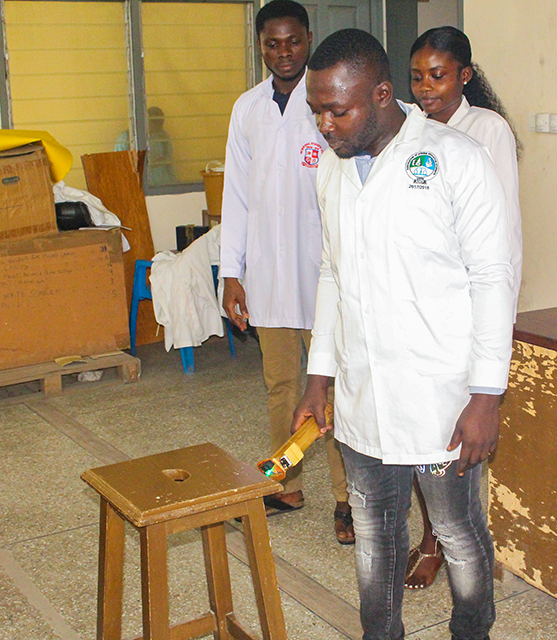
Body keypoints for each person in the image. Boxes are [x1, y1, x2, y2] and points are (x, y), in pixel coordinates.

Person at [296, 28, 521, 640]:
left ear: (383, 94)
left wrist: (486, 394)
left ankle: (472, 630)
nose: (325, 125)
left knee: (455, 531)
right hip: (365, 391)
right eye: (317, 111)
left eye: (337, 110)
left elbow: (493, 278)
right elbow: (330, 273)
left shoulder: (455, 158)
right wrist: (320, 377)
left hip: (442, 397)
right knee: (373, 534)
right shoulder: (333, 170)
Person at [218, 0, 353, 544]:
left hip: (324, 274)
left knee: (336, 392)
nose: (283, 52)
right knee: (280, 385)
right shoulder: (246, 108)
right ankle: (284, 484)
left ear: (308, 38)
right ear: (260, 46)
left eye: (292, 41)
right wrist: (232, 272)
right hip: (269, 276)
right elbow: (237, 196)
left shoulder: (327, 101)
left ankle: (349, 499)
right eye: (272, 43)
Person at [404, 25, 523, 591]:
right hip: (422, 305)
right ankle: (435, 534)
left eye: (439, 75)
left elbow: (498, 234)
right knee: (423, 433)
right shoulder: (410, 131)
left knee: (458, 434)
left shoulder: (487, 129)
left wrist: (496, 316)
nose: (427, 88)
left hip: (471, 305)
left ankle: (453, 540)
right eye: (418, 77)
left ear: (465, 76)